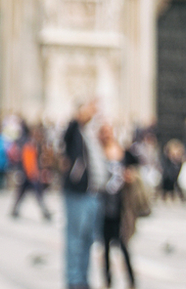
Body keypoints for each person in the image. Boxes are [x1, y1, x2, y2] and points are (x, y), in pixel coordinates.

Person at [61, 97, 106, 289]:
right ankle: (74, 280)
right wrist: (80, 116)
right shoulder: (74, 132)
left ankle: (83, 279)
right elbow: (68, 132)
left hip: (94, 194)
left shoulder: (91, 134)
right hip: (78, 194)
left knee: (88, 240)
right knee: (75, 240)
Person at [98, 129, 138, 288]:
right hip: (103, 206)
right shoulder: (98, 153)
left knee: (123, 245)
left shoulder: (123, 153)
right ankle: (107, 281)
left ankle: (131, 281)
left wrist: (130, 175)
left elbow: (136, 167)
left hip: (121, 207)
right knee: (105, 246)